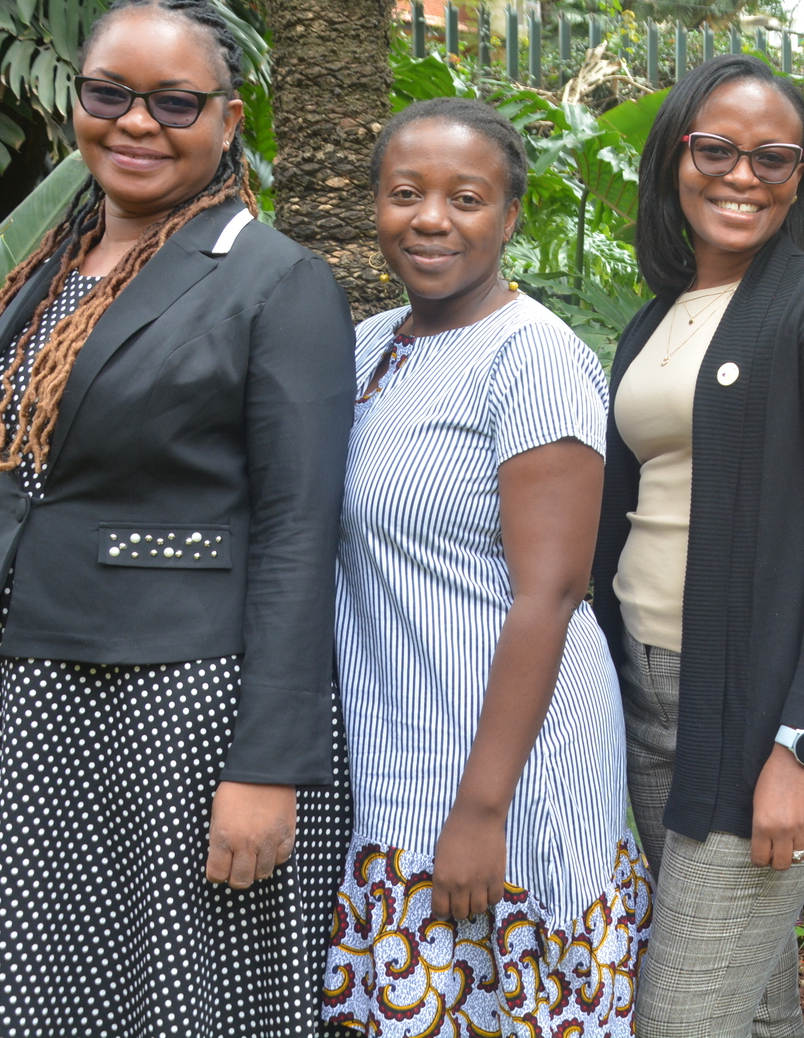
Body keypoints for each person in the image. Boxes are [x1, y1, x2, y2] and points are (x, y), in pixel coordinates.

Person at [0, 0, 355, 1035]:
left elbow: (298, 532)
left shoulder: (277, 285)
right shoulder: (51, 267)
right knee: (21, 991)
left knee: (165, 1002)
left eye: (174, 102)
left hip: (180, 712)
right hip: (17, 696)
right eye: (111, 93)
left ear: (229, 120)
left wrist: (266, 762)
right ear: (78, 101)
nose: (136, 122)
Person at [323, 98, 649, 1036]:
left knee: (514, 1006)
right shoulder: (370, 345)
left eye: (467, 198)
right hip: (405, 735)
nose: (432, 218)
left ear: (509, 217)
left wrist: (481, 807)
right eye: (405, 193)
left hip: (512, 760)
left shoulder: (531, 357)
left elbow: (551, 593)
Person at [590, 53, 804, 1038]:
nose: (742, 175)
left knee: (680, 1016)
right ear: (672, 156)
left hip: (758, 709)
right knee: (754, 1007)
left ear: (799, 179)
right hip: (648, 692)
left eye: (774, 157)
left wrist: (799, 745)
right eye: (715, 148)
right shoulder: (654, 319)